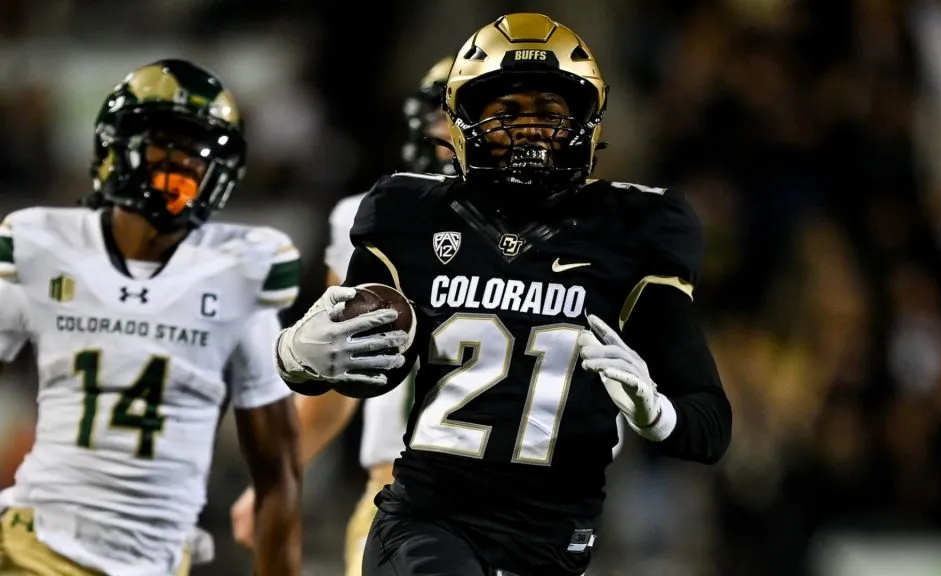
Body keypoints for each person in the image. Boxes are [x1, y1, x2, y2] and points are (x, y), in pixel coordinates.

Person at [275, 12, 732, 576]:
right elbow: (366, 366)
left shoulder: (635, 229)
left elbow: (709, 426)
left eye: (549, 114)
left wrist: (656, 413)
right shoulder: (408, 214)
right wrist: (296, 355)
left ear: (586, 122)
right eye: (506, 114)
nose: (529, 133)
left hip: (551, 539)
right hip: (427, 519)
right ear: (463, 124)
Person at [0, 59, 303, 576]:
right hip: (38, 544)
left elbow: (280, 475)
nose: (184, 163)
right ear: (117, 145)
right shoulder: (43, 247)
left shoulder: (237, 274)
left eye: (200, 151)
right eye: (168, 142)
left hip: (159, 561)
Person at [229, 54, 457, 576]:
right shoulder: (376, 214)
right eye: (445, 112)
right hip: (406, 493)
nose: (448, 128)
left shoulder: (568, 231)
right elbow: (339, 372)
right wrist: (278, 478)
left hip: (531, 503)